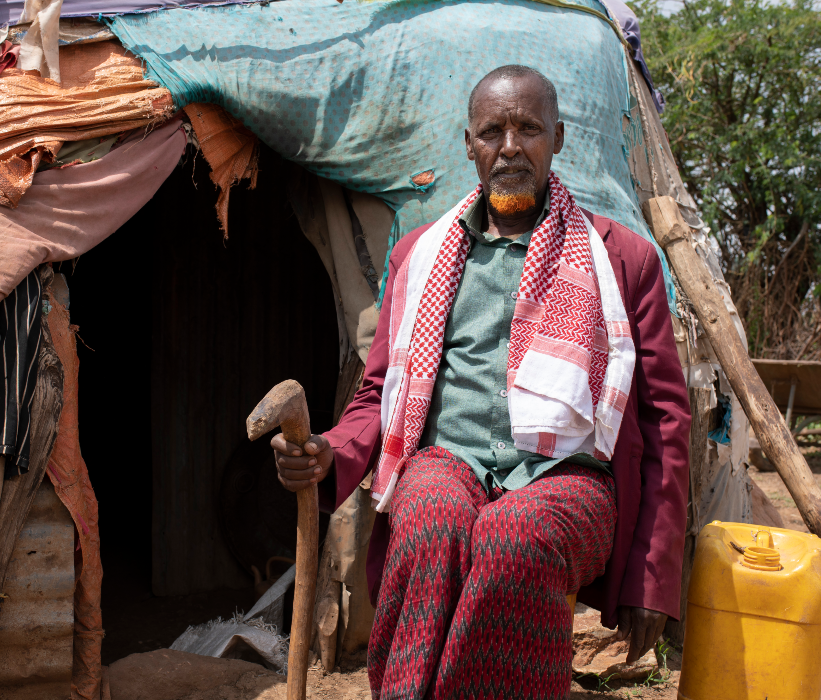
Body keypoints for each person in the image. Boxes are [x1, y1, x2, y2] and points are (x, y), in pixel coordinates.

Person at [272, 65, 690, 700]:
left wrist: (651, 578)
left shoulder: (622, 259)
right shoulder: (421, 253)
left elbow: (664, 421)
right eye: (493, 131)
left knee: (515, 534)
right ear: (469, 143)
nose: (511, 146)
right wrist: (329, 452)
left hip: (570, 479)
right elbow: (378, 393)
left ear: (558, 138)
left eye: (529, 128)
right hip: (448, 460)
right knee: (431, 518)